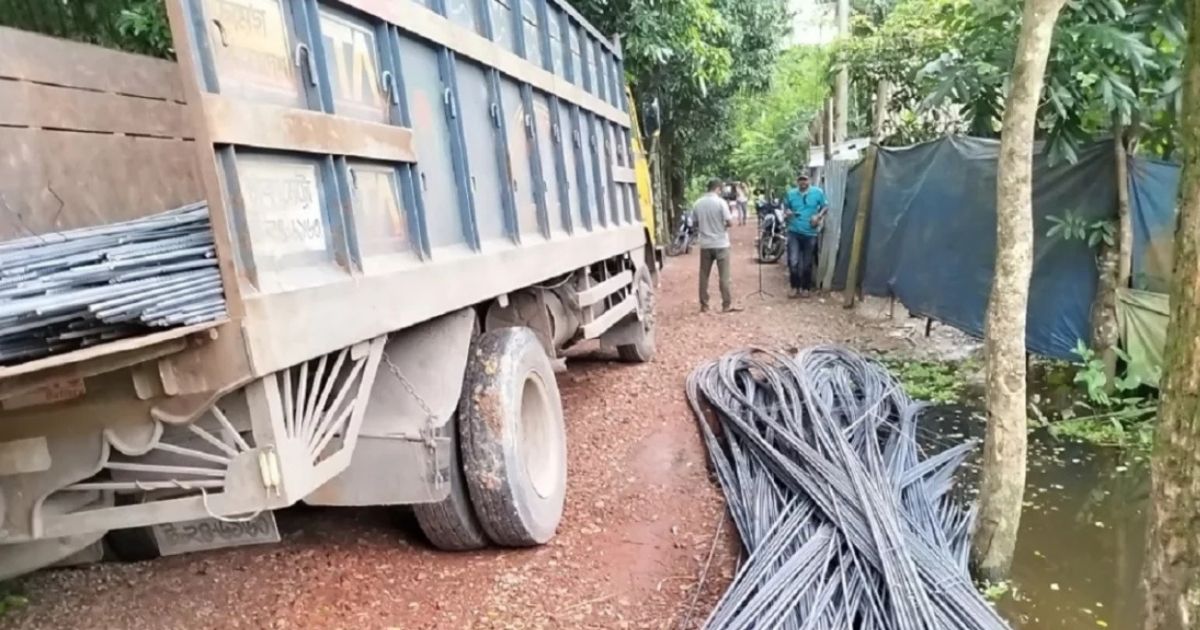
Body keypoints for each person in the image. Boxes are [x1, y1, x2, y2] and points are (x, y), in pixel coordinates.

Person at [693, 178, 742, 313]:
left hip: (705, 244)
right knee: (724, 276)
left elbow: (695, 223)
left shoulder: (698, 203)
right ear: (718, 189)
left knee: (704, 275)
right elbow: (730, 222)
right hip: (721, 243)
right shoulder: (721, 203)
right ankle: (726, 304)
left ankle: (704, 305)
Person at [783, 173, 828, 298]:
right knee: (793, 261)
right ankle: (794, 287)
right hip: (794, 231)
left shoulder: (817, 192)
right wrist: (788, 213)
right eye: (800, 180)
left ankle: (806, 287)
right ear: (797, 182)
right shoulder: (791, 194)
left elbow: (825, 206)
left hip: (810, 232)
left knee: (807, 263)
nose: (803, 182)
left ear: (810, 180)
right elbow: (786, 208)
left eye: (805, 180)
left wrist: (818, 216)